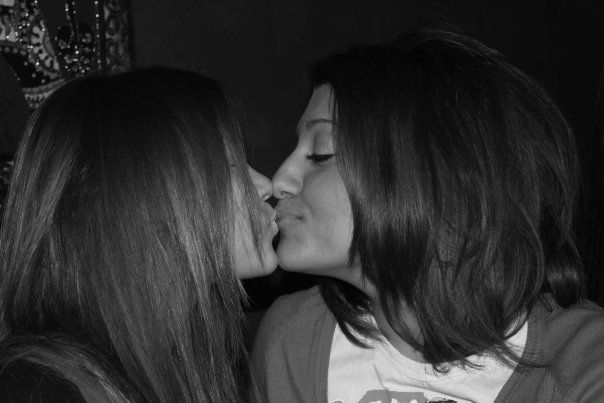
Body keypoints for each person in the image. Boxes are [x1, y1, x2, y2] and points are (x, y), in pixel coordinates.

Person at [251, 29, 604, 402]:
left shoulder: (585, 365)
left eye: (321, 152)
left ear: (437, 177)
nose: (280, 180)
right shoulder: (291, 340)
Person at [0, 67, 279, 402]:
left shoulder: (209, 361)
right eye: (231, 167)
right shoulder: (35, 390)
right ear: (145, 199)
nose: (266, 185)